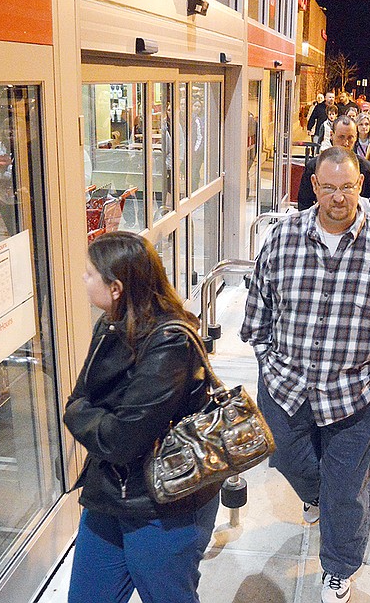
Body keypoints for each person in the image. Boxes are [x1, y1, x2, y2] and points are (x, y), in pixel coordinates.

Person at [241, 146, 370, 603]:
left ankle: (339, 567)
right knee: (284, 456)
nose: (338, 197)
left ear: (360, 186)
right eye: (329, 188)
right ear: (315, 187)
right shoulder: (283, 238)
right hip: (286, 383)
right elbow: (259, 302)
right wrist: (265, 354)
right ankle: (318, 496)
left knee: (347, 488)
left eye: (347, 187)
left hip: (355, 390)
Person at [64, 231, 220, 603]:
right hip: (110, 494)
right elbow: (81, 399)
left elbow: (119, 438)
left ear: (116, 287)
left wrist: (83, 415)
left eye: (89, 274)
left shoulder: (170, 342)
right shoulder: (111, 324)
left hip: (164, 505)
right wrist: (86, 412)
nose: (83, 281)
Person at [297, 116, 370, 211]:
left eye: (350, 138)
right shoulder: (313, 166)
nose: (346, 143)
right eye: (341, 137)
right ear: (331, 135)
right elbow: (304, 204)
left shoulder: (367, 169)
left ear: (356, 137)